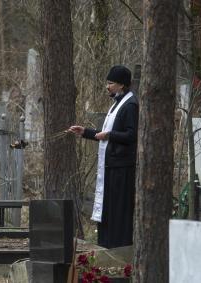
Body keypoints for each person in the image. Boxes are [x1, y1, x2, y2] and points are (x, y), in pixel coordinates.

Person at [68, 65, 138, 249]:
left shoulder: (130, 105)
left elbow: (132, 135)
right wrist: (85, 132)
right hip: (111, 166)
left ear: (121, 85)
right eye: (107, 83)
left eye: (111, 83)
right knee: (108, 210)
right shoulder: (117, 103)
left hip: (122, 168)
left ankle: (119, 248)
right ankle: (106, 245)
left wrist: (108, 135)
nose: (107, 86)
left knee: (118, 211)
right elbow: (107, 134)